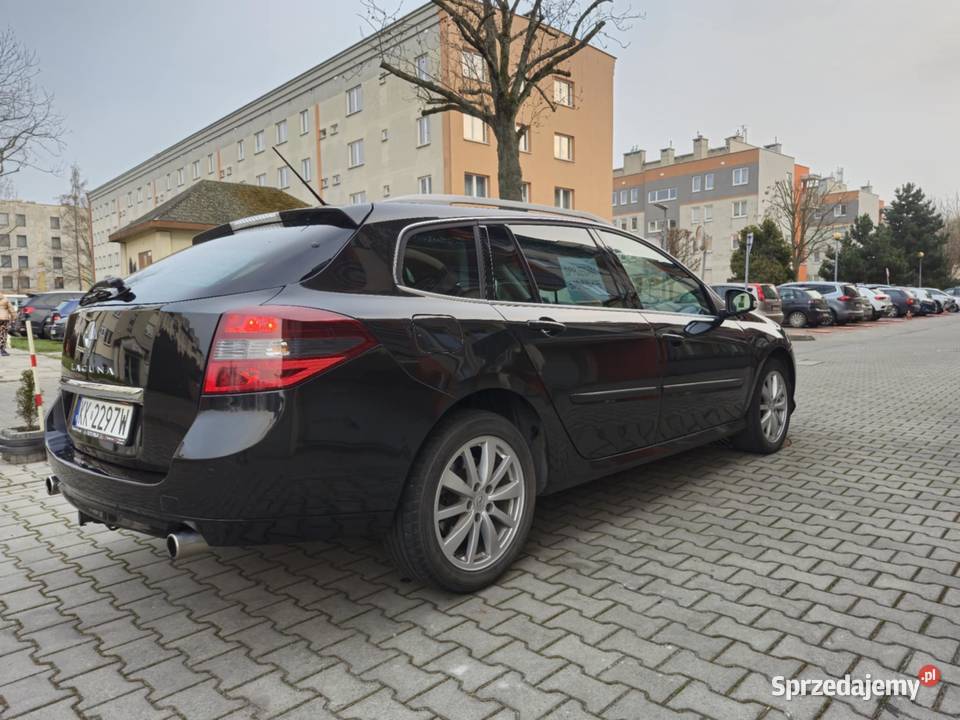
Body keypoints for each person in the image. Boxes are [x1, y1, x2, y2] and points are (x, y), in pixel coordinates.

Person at [0, 292, 11, 356]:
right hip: (4, 319)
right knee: (3, 333)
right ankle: (2, 350)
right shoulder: (5, 299)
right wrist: (14, 317)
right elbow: (11, 309)